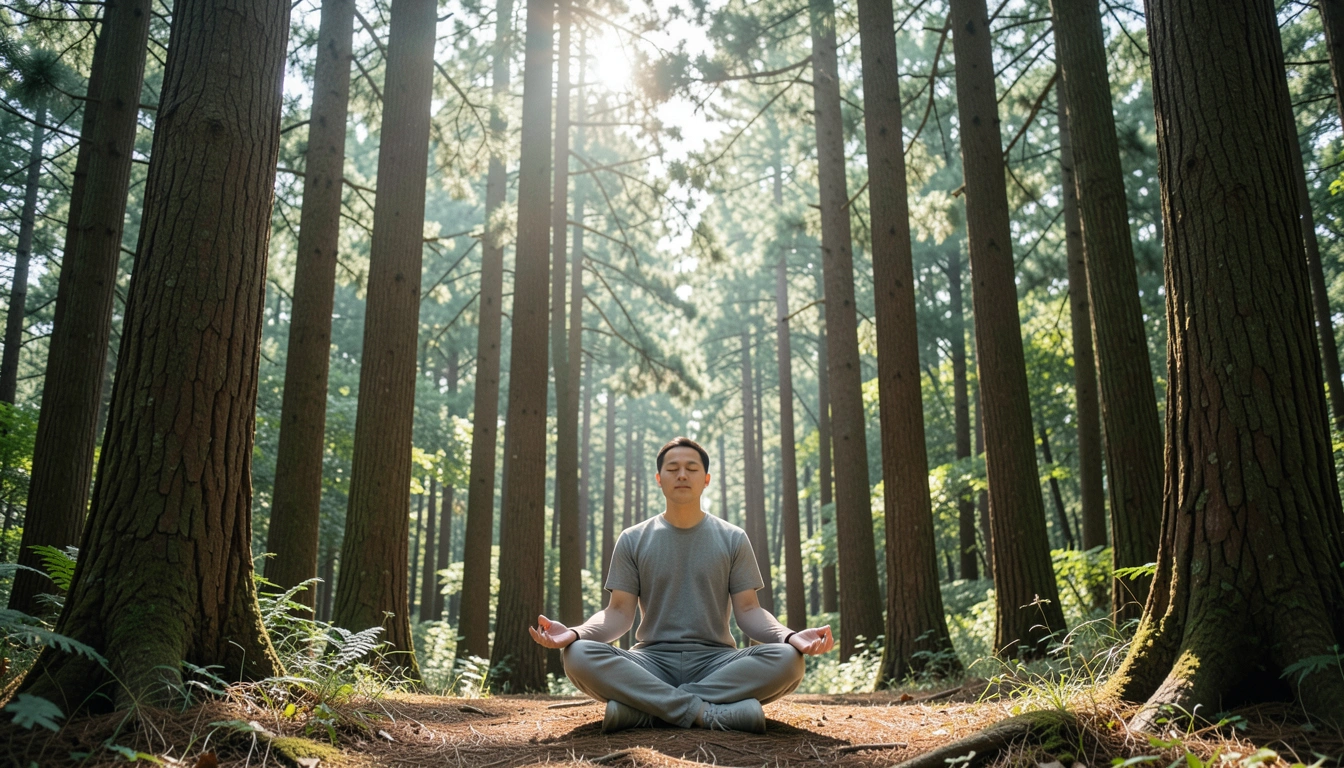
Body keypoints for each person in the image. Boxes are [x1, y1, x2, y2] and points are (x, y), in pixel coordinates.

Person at [529, 436, 835, 734]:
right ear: (659, 479)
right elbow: (618, 613)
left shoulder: (733, 538)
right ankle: (703, 712)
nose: (682, 474)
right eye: (673, 468)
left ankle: (646, 711)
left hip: (718, 663)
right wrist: (575, 633)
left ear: (706, 479)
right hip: (650, 662)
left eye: (692, 468)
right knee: (577, 654)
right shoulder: (633, 538)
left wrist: (790, 636)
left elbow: (749, 611)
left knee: (788, 660)